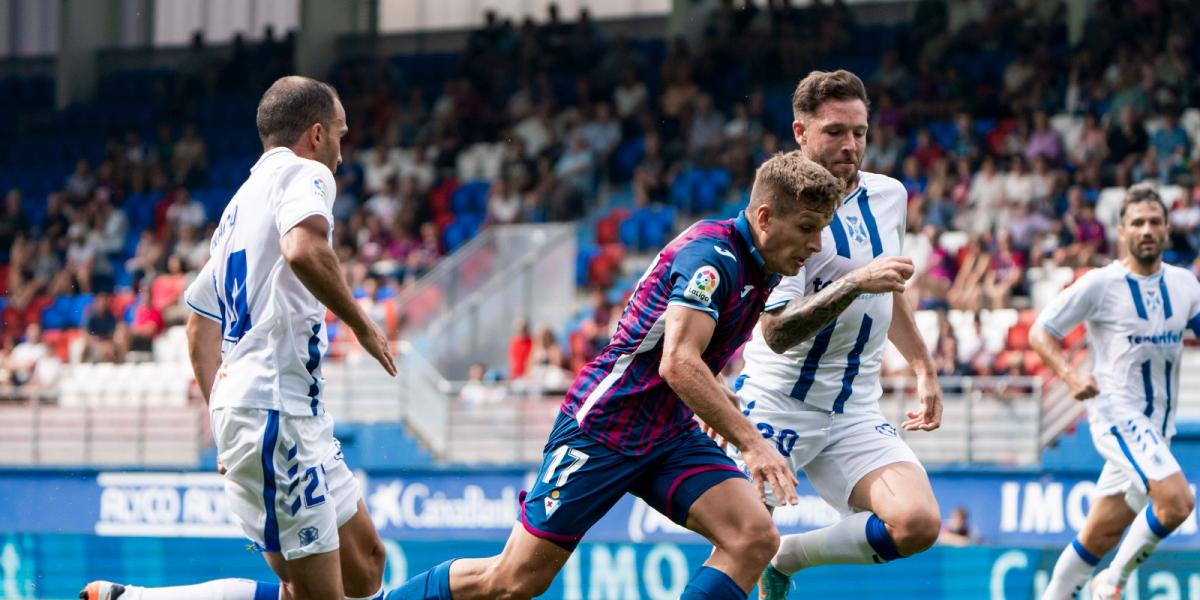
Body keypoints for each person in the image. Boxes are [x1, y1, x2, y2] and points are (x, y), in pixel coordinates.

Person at [396, 150, 845, 600]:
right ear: (765, 217)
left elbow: (682, 358)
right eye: (807, 228)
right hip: (605, 426)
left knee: (754, 537)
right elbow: (677, 362)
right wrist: (753, 443)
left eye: (821, 230)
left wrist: (717, 393)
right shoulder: (713, 259)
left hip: (668, 432)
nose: (816, 244)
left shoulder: (760, 262)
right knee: (513, 581)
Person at [82, 76, 397, 600]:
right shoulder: (307, 174)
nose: (343, 152)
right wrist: (363, 326)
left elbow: (198, 321)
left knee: (365, 563)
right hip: (276, 412)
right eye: (341, 135)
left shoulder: (238, 205)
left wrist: (221, 410)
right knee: (316, 593)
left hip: (286, 413)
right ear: (316, 134)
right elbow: (303, 248)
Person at [733, 70, 944, 600]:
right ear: (800, 133)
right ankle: (765, 554)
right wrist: (854, 283)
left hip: (852, 409)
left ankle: (790, 557)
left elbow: (888, 288)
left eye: (860, 131)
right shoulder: (783, 211)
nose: (850, 145)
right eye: (834, 132)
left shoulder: (889, 196)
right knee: (740, 544)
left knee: (917, 523)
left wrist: (922, 366)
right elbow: (777, 331)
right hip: (778, 404)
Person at [1034, 184, 1198, 600]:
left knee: (1098, 535)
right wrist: (1070, 377)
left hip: (1158, 427)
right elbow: (1041, 333)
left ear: (1166, 230)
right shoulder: (1100, 284)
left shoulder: (1185, 285)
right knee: (1178, 502)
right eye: (1137, 222)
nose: (1146, 229)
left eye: (1155, 222)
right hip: (1116, 416)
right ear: (1122, 231)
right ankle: (1113, 581)